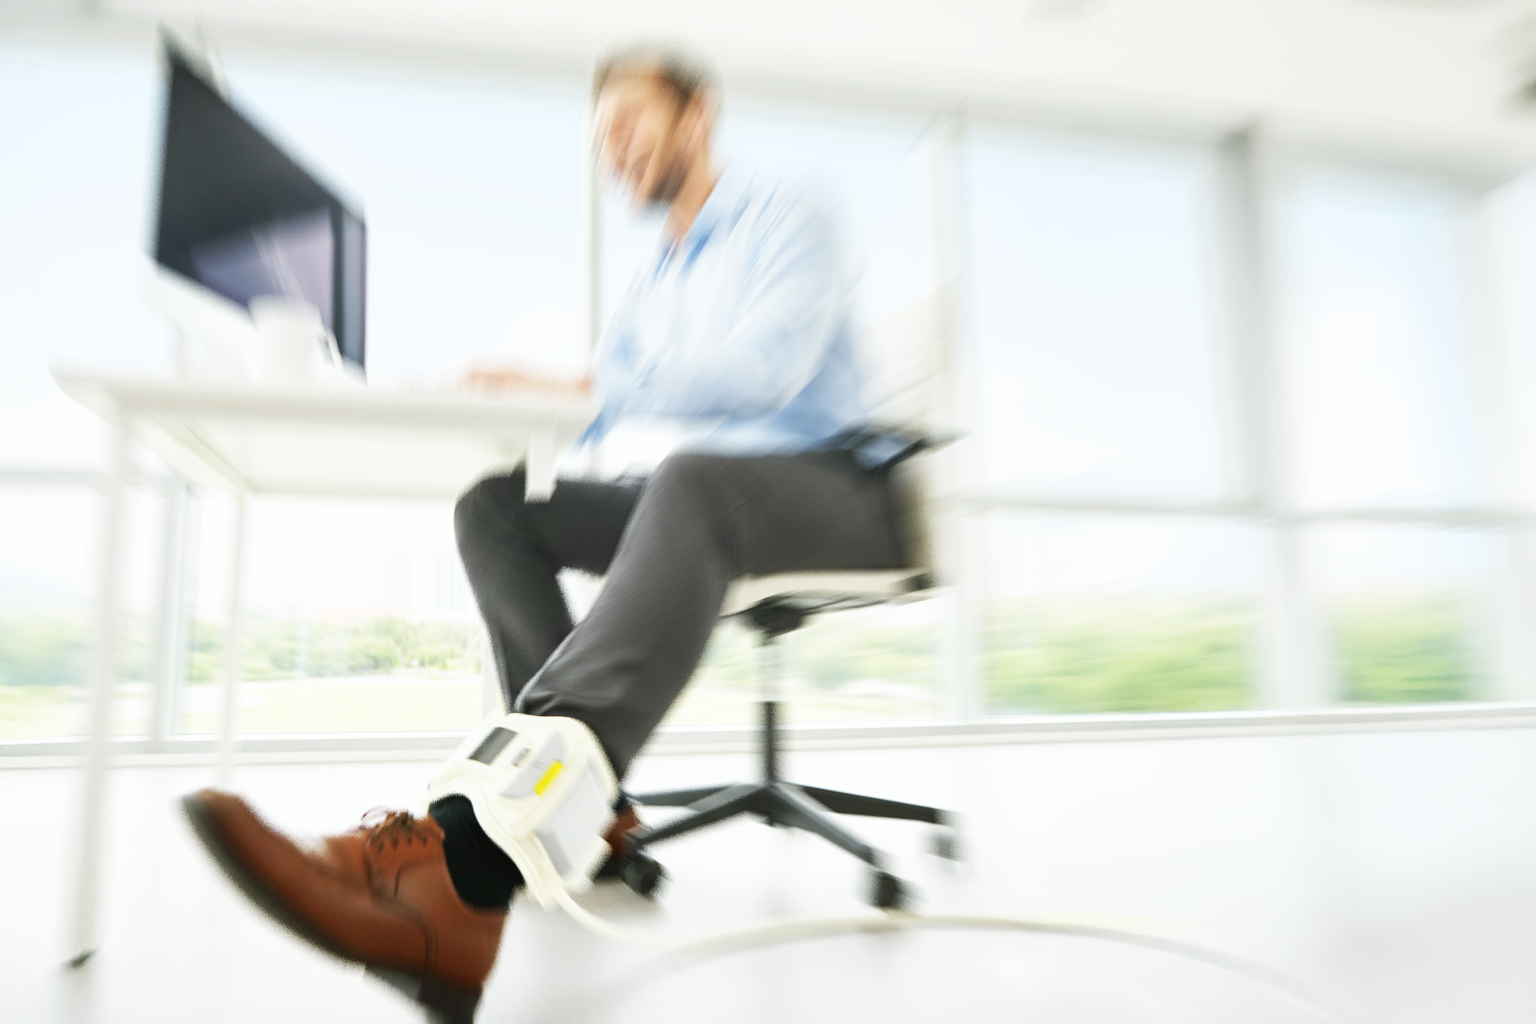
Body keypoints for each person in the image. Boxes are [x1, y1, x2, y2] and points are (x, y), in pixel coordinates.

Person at [182, 43, 916, 1016]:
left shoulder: (789, 211)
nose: (616, 150)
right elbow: (598, 403)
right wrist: (497, 400)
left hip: (842, 491)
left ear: (698, 115)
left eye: (631, 123)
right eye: (603, 139)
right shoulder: (657, 277)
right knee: (497, 509)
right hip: (704, 490)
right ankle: (583, 815)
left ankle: (466, 862)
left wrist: (582, 388)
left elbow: (762, 372)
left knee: (690, 484)